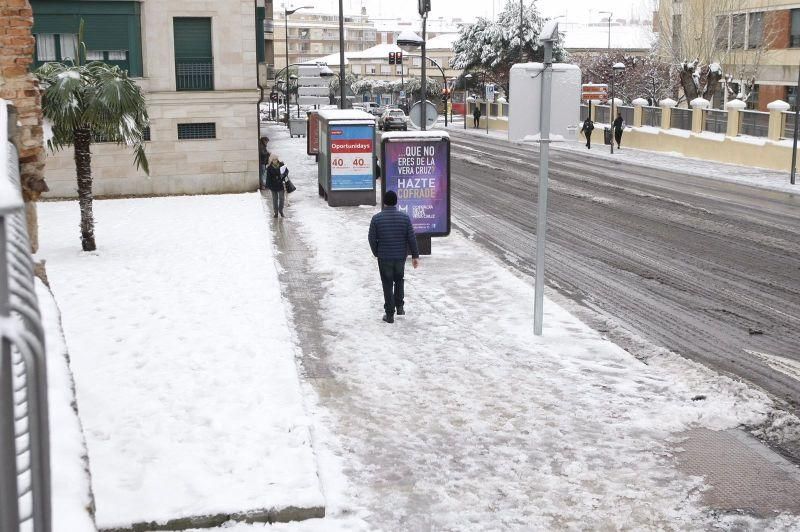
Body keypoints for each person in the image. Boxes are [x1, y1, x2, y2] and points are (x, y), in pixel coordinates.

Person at [368, 191, 420, 324]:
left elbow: (372, 239)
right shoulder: (405, 218)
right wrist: (415, 255)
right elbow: (411, 238)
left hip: (384, 256)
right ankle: (400, 307)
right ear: (396, 202)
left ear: (384, 202)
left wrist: (377, 252)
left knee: (387, 283)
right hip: (400, 256)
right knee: (399, 280)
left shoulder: (376, 219)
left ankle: (389, 314)